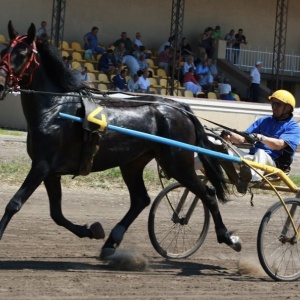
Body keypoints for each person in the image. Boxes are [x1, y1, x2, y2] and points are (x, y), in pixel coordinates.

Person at [226, 90, 300, 193]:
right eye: (273, 104)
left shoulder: (293, 127)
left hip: (274, 165)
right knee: (225, 148)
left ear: (287, 108)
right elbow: (242, 139)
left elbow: (279, 145)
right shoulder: (263, 121)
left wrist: (261, 137)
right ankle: (224, 174)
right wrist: (229, 135)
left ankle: (251, 180)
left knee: (261, 152)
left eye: (277, 105)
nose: (274, 107)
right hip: (254, 161)